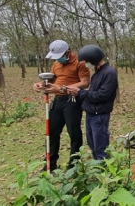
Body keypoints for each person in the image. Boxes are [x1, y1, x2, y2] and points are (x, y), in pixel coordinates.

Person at [33, 40, 90, 171]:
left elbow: (85, 83)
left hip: (72, 101)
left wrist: (62, 88)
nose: (58, 59)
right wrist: (40, 85)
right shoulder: (56, 64)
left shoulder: (80, 63)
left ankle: (73, 165)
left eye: (60, 56)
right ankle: (50, 164)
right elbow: (52, 80)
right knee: (51, 132)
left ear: (68, 52)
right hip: (57, 100)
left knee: (74, 133)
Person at [67, 45, 118, 160]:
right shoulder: (97, 73)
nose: (85, 64)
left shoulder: (109, 73)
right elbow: (92, 93)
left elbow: (102, 95)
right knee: (93, 145)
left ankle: (105, 173)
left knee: (101, 148)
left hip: (99, 115)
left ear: (93, 59)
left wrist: (80, 93)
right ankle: (97, 169)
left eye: (86, 61)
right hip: (91, 114)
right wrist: (78, 93)